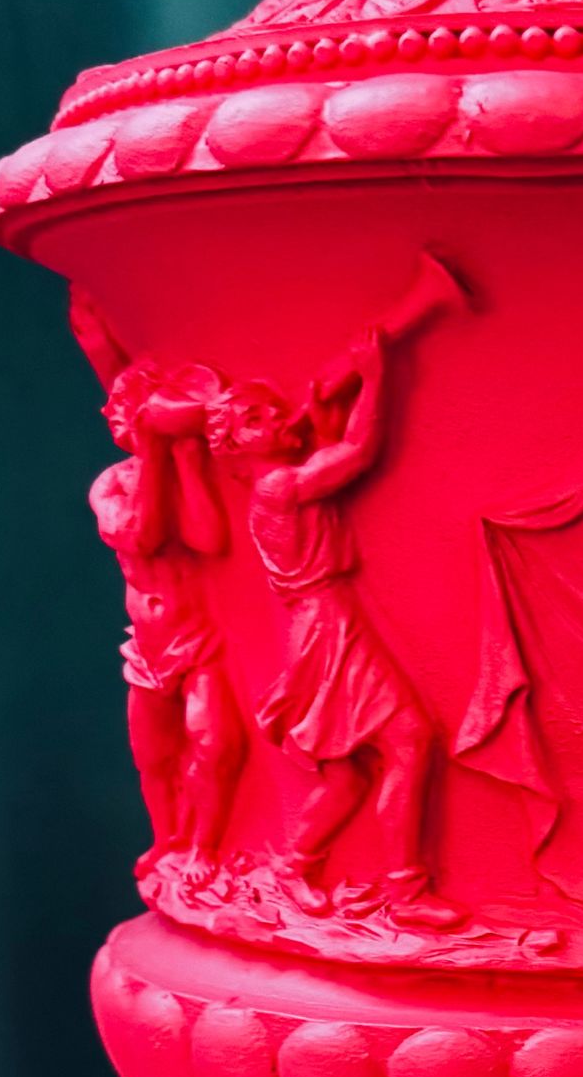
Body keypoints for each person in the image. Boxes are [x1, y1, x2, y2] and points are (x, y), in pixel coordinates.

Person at [207, 331, 464, 930]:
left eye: (272, 410)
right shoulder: (278, 485)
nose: (274, 418)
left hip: (321, 625)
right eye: (254, 419)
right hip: (329, 627)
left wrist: (324, 412)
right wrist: (376, 375)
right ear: (234, 447)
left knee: (346, 774)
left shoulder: (279, 485)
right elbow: (359, 451)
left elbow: (330, 454)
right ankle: (405, 892)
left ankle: (297, 868)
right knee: (408, 739)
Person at [89, 360, 245, 888]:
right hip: (147, 647)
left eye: (127, 408)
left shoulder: (179, 470)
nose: (114, 415)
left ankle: (205, 847)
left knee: (215, 745)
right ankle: (167, 840)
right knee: (153, 754)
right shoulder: (111, 484)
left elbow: (208, 539)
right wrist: (157, 454)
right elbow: (141, 536)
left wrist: (185, 460)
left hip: (195, 639)